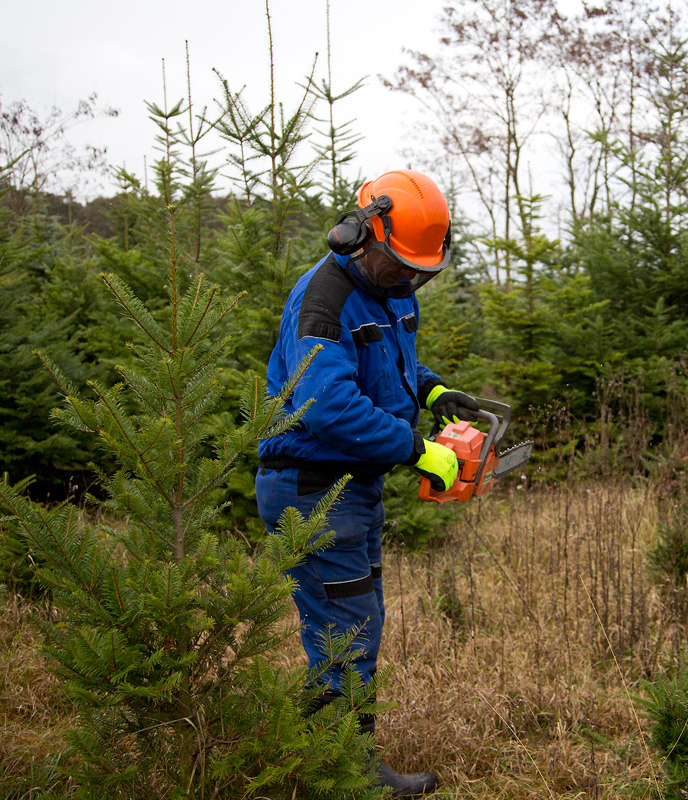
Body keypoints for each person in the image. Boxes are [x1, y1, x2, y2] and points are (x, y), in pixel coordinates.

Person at [255, 169, 478, 797]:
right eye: (399, 267)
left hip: (352, 488)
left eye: (419, 272)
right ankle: (341, 773)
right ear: (360, 234)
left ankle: (322, 753)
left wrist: (433, 390)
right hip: (311, 485)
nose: (408, 281)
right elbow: (328, 404)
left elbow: (393, 359)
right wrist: (417, 449)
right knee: (345, 627)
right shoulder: (323, 298)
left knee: (357, 618)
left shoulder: (391, 289)